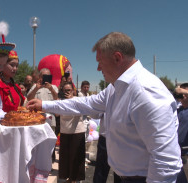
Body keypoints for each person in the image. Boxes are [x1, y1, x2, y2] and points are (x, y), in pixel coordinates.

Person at [28, 32, 182, 182]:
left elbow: (166, 162)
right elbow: (84, 104)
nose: (98, 68)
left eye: (100, 61)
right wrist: (44, 104)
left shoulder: (145, 91)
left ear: (117, 58)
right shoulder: (115, 88)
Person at [58, 82, 86, 182]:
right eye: (65, 90)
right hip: (65, 131)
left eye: (69, 90)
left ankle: (76, 179)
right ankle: (67, 178)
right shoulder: (60, 101)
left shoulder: (78, 100)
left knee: (76, 158)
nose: (67, 92)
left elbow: (81, 111)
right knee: (65, 158)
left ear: (73, 91)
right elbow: (57, 114)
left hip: (77, 132)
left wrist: (71, 100)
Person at [174, 83, 188, 182]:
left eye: (185, 93)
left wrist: (181, 91)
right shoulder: (177, 109)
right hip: (177, 155)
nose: (182, 96)